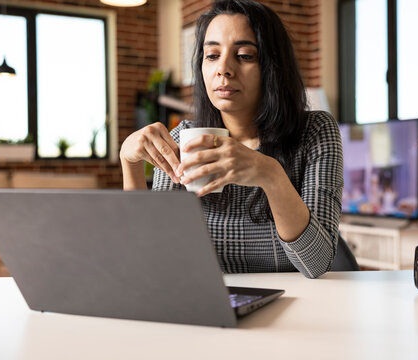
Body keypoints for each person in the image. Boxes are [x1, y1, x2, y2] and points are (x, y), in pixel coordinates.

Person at [120, 0, 343, 279]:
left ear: (272, 66)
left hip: (292, 307)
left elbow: (317, 262)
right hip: (208, 305)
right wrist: (129, 164)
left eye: (245, 55)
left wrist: (270, 175)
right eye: (212, 55)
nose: (223, 69)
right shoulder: (185, 138)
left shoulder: (315, 131)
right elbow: (147, 253)